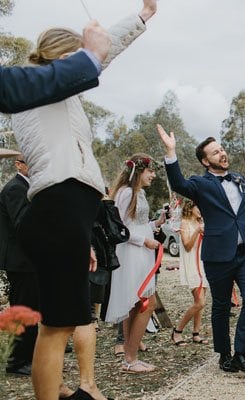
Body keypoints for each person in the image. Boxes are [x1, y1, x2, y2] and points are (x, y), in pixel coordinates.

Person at [12, 2, 157, 398]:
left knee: (64, 319)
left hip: (68, 214)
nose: (86, 63)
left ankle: (74, 389)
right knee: (57, 325)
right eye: (77, 54)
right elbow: (101, 55)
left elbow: (99, 57)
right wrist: (141, 17)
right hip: (57, 208)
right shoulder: (40, 86)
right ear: (62, 56)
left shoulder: (59, 94)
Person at [158, 124, 245, 373]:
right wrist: (171, 152)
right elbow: (178, 184)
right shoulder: (200, 183)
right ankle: (224, 354)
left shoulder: (239, 179)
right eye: (216, 152)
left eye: (222, 149)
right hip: (218, 256)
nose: (222, 153)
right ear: (206, 161)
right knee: (220, 306)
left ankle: (241, 352)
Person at [105, 154, 165, 373]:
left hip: (143, 252)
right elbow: (118, 228)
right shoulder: (126, 193)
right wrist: (144, 241)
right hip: (132, 253)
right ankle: (130, 358)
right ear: (138, 171)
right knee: (146, 303)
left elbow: (138, 223)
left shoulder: (140, 193)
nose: (153, 175)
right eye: (150, 171)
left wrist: (155, 224)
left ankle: (130, 358)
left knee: (138, 304)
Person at [0, 20, 110, 114]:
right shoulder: (44, 92)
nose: (78, 61)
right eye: (78, 56)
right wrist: (92, 54)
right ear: (65, 58)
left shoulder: (41, 88)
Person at [0, 156, 37, 376]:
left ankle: (30, 355)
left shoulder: (28, 187)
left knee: (32, 308)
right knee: (23, 309)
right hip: (20, 260)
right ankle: (17, 361)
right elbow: (23, 224)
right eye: (30, 161)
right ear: (18, 164)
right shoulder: (15, 188)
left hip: (29, 260)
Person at [171, 199, 210, 346]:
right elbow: (187, 246)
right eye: (198, 207)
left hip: (203, 263)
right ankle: (177, 331)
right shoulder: (185, 223)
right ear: (190, 207)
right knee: (200, 302)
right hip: (192, 265)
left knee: (200, 302)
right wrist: (197, 231)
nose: (201, 209)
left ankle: (196, 333)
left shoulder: (202, 222)